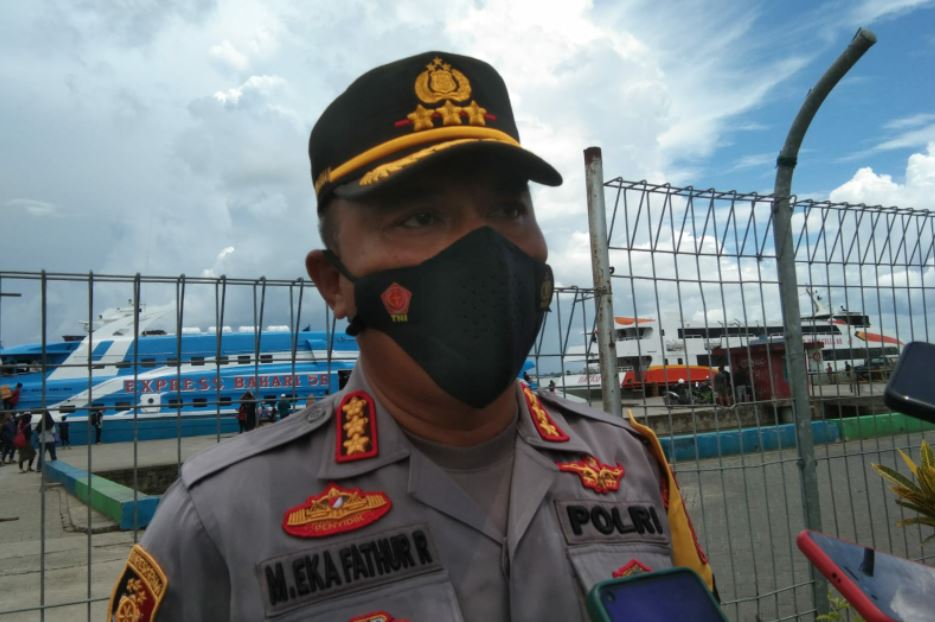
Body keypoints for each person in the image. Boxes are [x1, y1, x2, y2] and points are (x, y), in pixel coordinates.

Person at [108, 51, 714, 620]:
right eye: (420, 217)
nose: (486, 252)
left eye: (508, 210)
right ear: (335, 283)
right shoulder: (219, 520)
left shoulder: (630, 465)